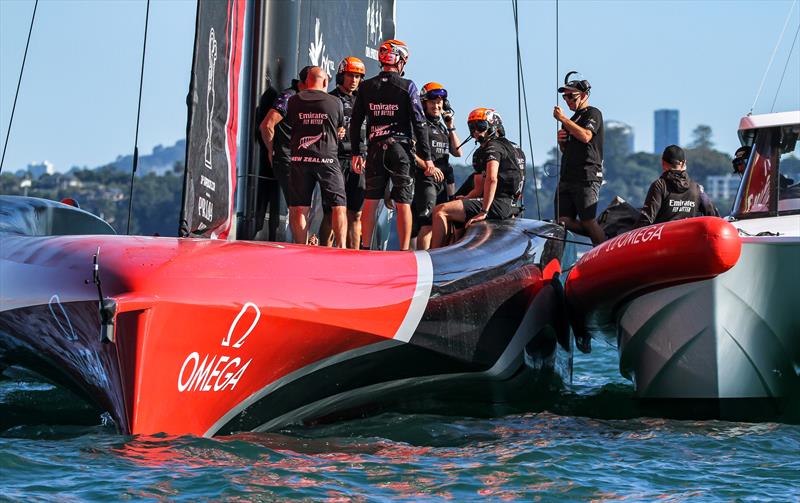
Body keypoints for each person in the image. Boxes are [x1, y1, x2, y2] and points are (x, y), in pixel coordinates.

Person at [350, 39, 435, 251]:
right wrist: (428, 158)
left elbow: (355, 122)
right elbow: (420, 123)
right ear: (401, 61)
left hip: (375, 149)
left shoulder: (366, 86)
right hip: (401, 150)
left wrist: (355, 152)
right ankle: (405, 250)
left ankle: (366, 247)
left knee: (371, 200)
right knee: (403, 202)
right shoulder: (408, 86)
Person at [430, 108, 525, 249]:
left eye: (480, 126)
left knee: (440, 210)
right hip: (512, 206)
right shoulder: (515, 147)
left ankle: (434, 256)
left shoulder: (492, 147)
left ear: (494, 126)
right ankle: (458, 249)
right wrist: (467, 198)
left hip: (498, 204)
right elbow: (480, 186)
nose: (475, 131)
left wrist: (484, 212)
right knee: (457, 205)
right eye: (471, 127)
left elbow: (492, 179)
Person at [285, 67, 347, 246]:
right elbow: (339, 126)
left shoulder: (294, 101)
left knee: (299, 208)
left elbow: (291, 123)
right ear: (326, 82)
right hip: (327, 159)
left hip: (300, 159)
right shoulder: (335, 102)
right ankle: (341, 247)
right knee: (339, 205)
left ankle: (300, 245)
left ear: (306, 81)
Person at [318, 57, 367, 249]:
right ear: (341, 76)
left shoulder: (364, 101)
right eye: (350, 76)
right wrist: (332, 134)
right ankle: (324, 252)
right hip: (335, 160)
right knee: (331, 212)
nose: (354, 80)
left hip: (359, 161)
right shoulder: (329, 99)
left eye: (358, 77)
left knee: (355, 213)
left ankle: (354, 256)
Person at [552, 74, 606, 245]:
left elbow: (585, 136)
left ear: (584, 95)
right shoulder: (569, 121)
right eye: (565, 97)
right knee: (561, 222)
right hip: (567, 176)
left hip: (586, 176)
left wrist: (563, 119)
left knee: (588, 220)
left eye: (571, 96)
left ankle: (604, 248)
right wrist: (561, 143)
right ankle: (604, 233)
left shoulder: (593, 113)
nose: (567, 100)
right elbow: (567, 150)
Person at [412, 82, 463, 250]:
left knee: (442, 222)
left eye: (440, 102)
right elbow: (409, 151)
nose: (436, 106)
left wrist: (450, 126)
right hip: (425, 179)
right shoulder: (420, 125)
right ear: (424, 103)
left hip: (444, 182)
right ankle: (422, 262)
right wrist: (428, 167)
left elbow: (458, 152)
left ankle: (436, 259)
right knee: (426, 224)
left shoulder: (442, 126)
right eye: (432, 102)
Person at [259, 67, 313, 208]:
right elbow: (267, 125)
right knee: (298, 207)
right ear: (307, 81)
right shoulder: (289, 97)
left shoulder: (306, 98)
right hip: (288, 160)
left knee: (303, 207)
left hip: (303, 161)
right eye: (317, 82)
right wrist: (272, 151)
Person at [637, 145, 718, 227]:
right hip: (689, 238)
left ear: (663, 163)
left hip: (665, 238)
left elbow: (646, 219)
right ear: (683, 163)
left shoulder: (659, 186)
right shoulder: (697, 189)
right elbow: (714, 215)